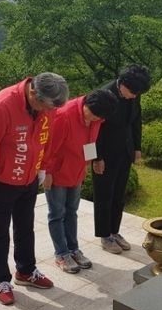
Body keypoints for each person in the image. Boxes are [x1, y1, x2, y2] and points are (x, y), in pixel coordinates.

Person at [0, 72, 69, 305]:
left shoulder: (47, 105)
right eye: (45, 106)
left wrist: (43, 167)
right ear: (33, 92)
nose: (47, 112)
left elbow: (45, 138)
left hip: (28, 178)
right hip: (0, 183)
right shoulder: (0, 106)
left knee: (25, 228)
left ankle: (26, 271)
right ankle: (1, 280)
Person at [43, 89, 118, 273]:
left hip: (76, 171)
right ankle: (61, 253)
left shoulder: (97, 118)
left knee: (72, 212)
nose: (95, 120)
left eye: (99, 118)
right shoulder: (64, 115)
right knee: (57, 213)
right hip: (58, 173)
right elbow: (50, 147)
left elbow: (91, 142)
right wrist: (48, 173)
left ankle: (73, 249)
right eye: (93, 115)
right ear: (86, 104)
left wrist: (90, 162)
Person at [92, 64, 151, 253]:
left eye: (137, 93)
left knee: (119, 194)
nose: (135, 96)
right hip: (105, 153)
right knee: (104, 195)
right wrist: (97, 157)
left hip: (125, 150)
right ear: (122, 83)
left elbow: (136, 120)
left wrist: (137, 147)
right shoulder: (104, 95)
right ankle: (104, 235)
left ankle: (114, 231)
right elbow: (94, 130)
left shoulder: (134, 92)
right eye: (133, 92)